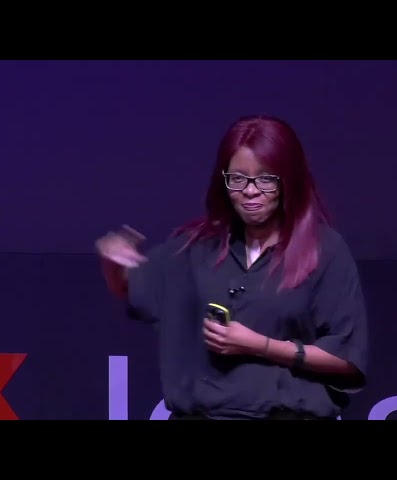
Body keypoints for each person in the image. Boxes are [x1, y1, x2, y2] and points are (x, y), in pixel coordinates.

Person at [95, 114, 369, 420]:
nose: (250, 191)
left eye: (265, 178)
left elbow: (346, 359)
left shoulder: (324, 250)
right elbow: (130, 287)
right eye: (238, 178)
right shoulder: (196, 246)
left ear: (288, 180)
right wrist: (112, 262)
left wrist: (260, 345)